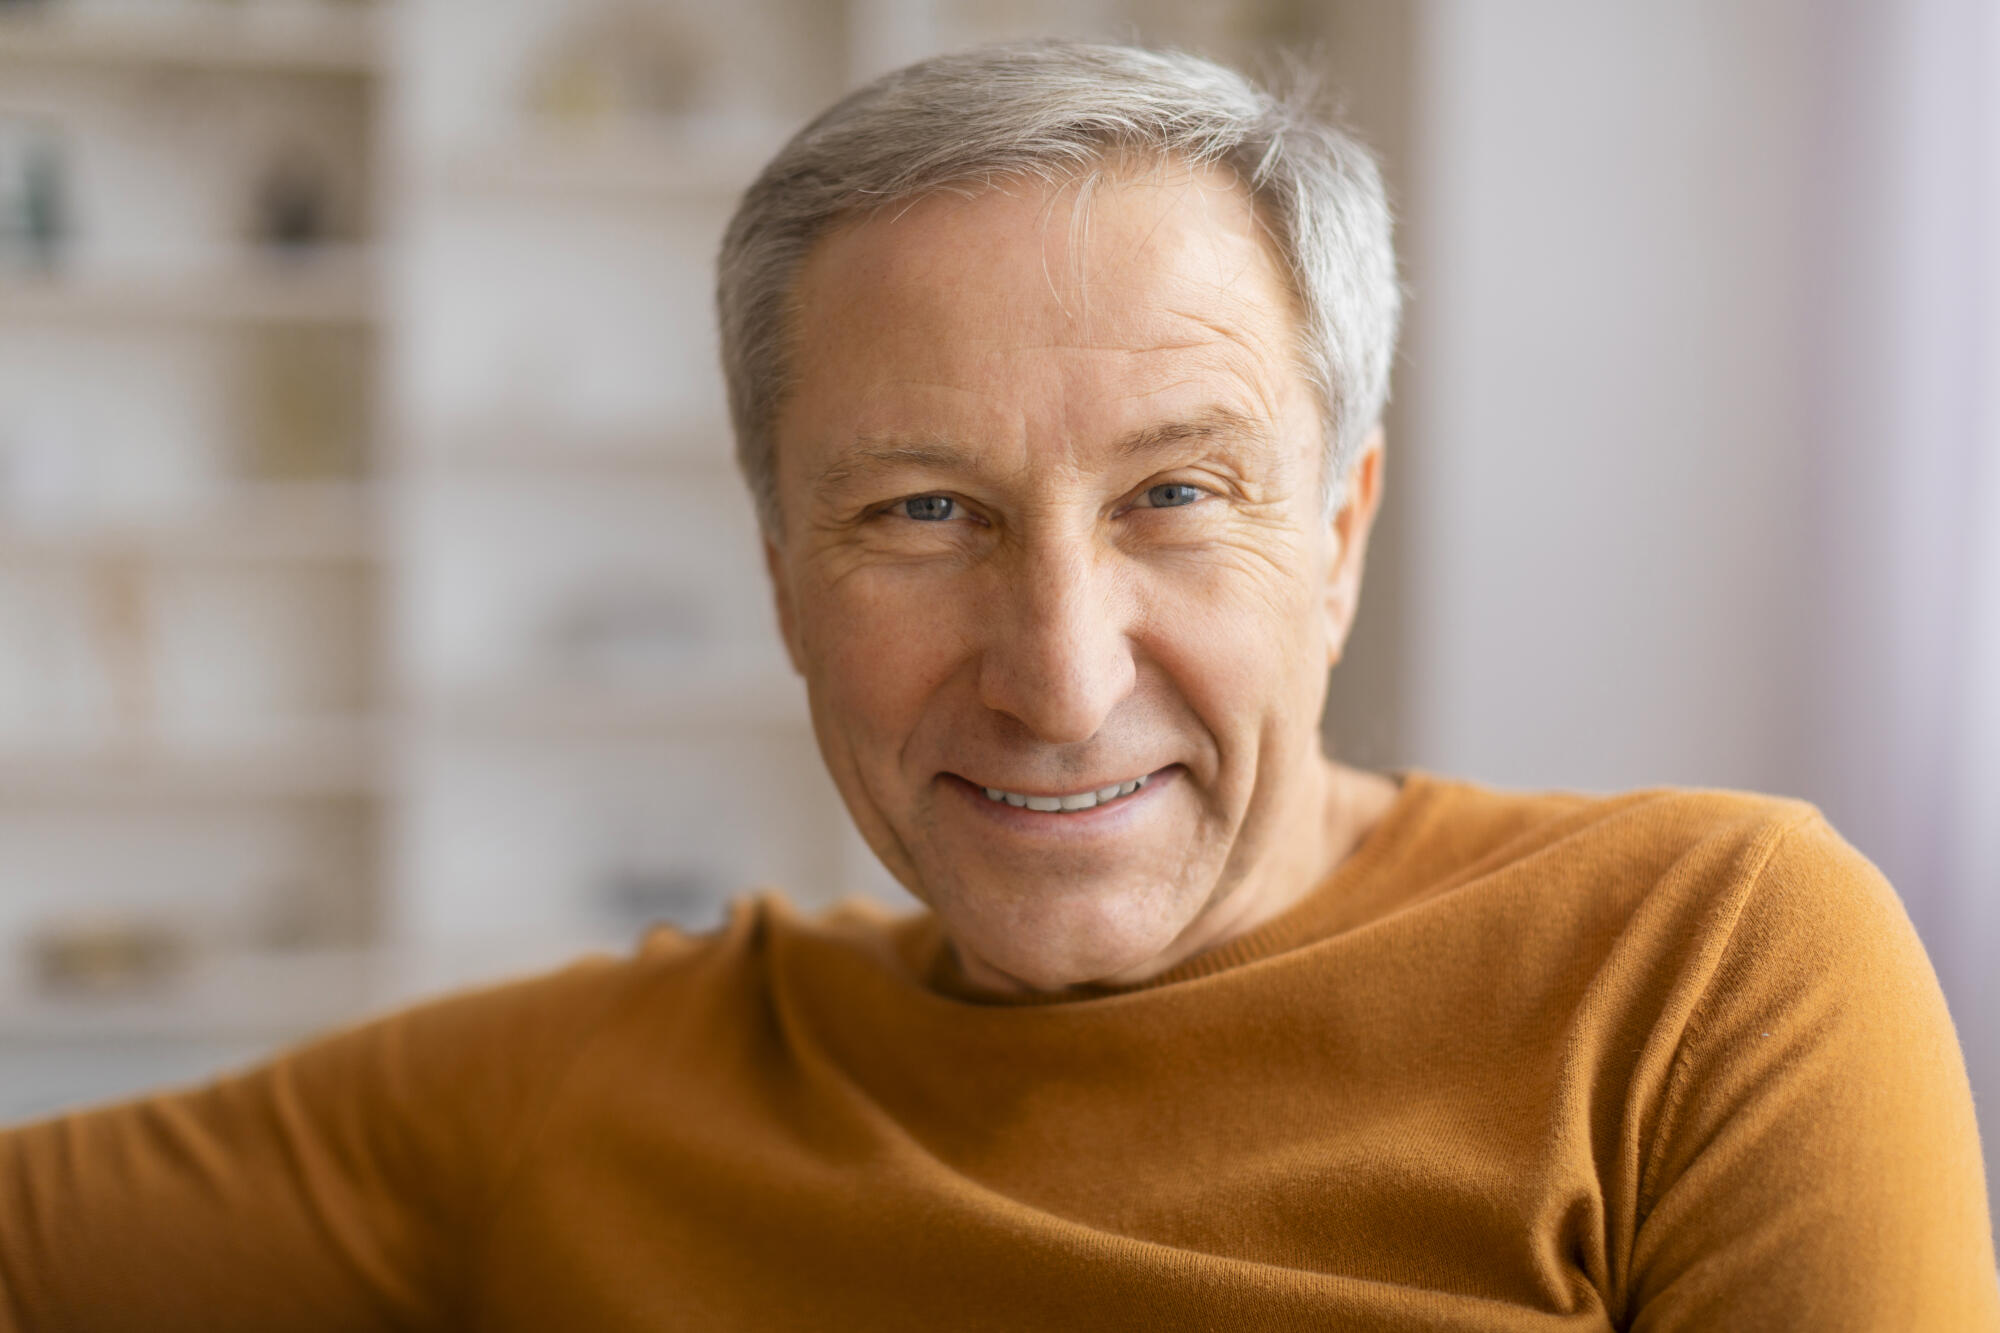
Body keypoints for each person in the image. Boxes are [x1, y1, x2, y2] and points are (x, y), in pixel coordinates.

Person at [2, 39, 1995, 1332]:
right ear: (780, 572)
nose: (1056, 674)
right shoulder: (576, 1100)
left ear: (1339, 534)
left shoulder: (1701, 972)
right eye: (923, 507)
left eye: (1176, 495)